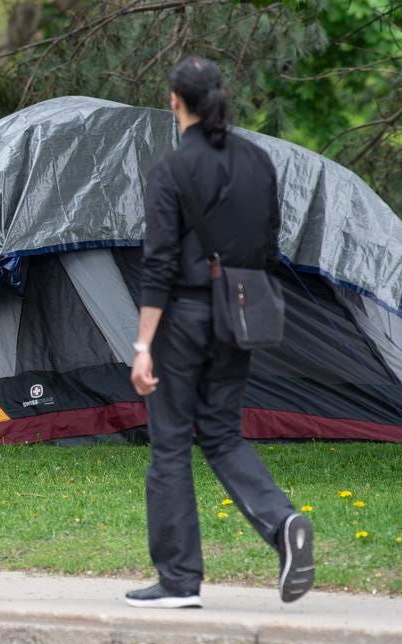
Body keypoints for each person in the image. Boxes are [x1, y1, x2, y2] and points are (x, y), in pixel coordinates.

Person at [125, 56, 313, 609]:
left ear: (174, 101)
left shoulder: (172, 169)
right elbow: (271, 249)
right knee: (223, 434)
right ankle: (282, 523)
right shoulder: (259, 162)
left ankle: (179, 581)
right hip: (240, 313)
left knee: (170, 446)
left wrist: (142, 346)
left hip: (181, 317)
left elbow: (158, 264)